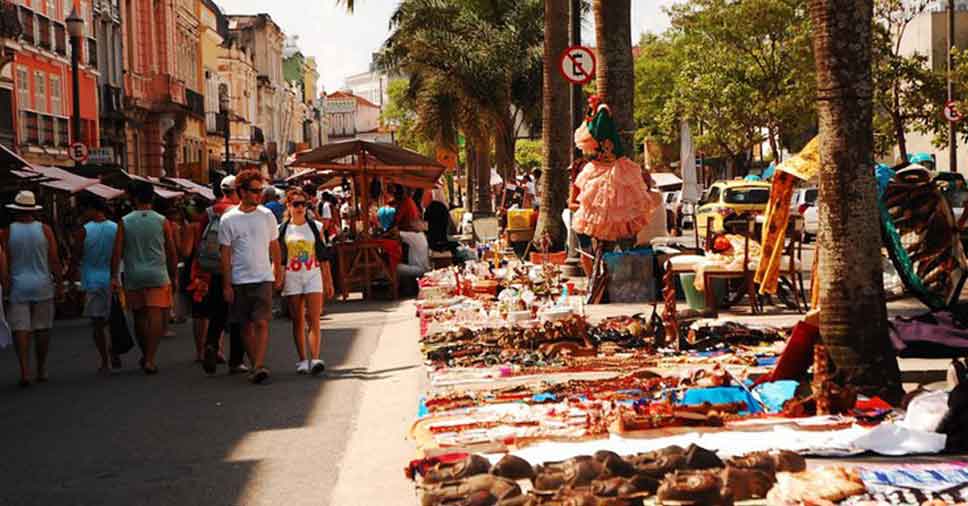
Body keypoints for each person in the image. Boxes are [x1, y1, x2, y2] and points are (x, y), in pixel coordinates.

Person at [219, 170, 283, 384]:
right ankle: (256, 364)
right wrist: (226, 285)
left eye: (260, 191)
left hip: (263, 276)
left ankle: (258, 364)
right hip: (239, 279)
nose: (259, 195)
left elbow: (275, 246)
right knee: (245, 325)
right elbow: (225, 253)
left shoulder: (267, 215)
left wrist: (278, 270)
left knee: (262, 322)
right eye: (255, 191)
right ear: (242, 191)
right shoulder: (228, 219)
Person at [111, 181, 177, 375]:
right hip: (158, 273)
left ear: (135, 198)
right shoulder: (162, 220)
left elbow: (117, 252)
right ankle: (150, 358)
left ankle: (145, 353)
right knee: (155, 315)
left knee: (139, 316)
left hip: (133, 274)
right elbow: (171, 250)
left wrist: (114, 276)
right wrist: (173, 274)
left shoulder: (125, 221)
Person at [3, 191, 61, 387]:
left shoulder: (7, 232)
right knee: (42, 328)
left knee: (21, 328)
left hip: (18, 285)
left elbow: (6, 262)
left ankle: (24, 370)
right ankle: (41, 368)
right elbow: (54, 259)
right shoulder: (45, 230)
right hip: (43, 284)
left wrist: (5, 286)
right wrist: (60, 283)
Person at [193, 175, 247, 375]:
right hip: (236, 268)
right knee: (238, 315)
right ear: (238, 190)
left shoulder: (210, 211)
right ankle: (236, 361)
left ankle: (211, 345)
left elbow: (200, 241)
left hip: (214, 269)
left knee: (218, 312)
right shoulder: (238, 212)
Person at [279, 188, 327, 376]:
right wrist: (279, 277)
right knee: (297, 319)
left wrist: (328, 280)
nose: (300, 208)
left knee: (314, 318)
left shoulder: (316, 226)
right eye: (296, 204)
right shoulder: (281, 230)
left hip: (313, 274)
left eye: (303, 204)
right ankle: (302, 360)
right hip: (292, 276)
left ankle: (315, 358)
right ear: (288, 206)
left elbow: (323, 255)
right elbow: (279, 258)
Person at [73, 196, 120, 374]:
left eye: (85, 210)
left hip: (92, 279)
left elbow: (77, 255)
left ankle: (104, 359)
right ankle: (114, 349)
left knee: (97, 323)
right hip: (113, 278)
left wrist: (71, 277)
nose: (84, 214)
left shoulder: (84, 230)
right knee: (113, 319)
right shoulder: (116, 228)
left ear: (92, 209)